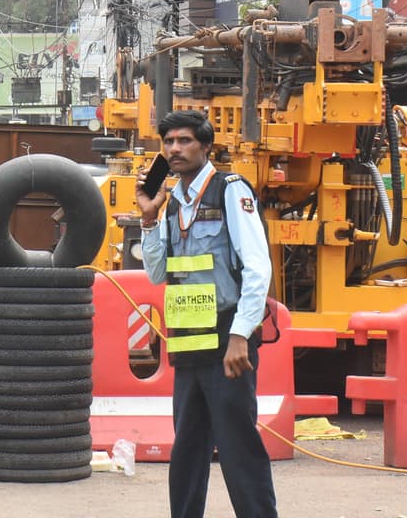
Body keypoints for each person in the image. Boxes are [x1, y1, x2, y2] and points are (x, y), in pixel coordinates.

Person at [135, 110, 277, 518]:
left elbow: (257, 268)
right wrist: (148, 218)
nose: (174, 149)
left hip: (227, 337)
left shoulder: (230, 191)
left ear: (206, 146)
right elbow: (159, 272)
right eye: (168, 143)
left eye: (184, 141)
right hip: (188, 339)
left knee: (237, 446)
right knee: (187, 449)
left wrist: (239, 336)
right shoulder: (172, 201)